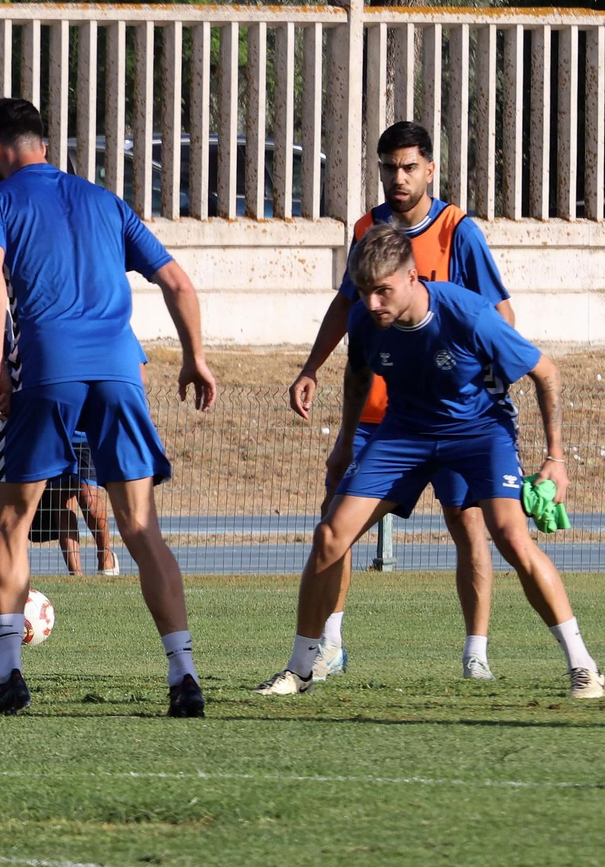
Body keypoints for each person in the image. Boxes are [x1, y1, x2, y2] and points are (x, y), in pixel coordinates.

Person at [256, 225, 602, 699]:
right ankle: (300, 669)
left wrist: (555, 458)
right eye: (364, 291)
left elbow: (547, 372)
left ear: (411, 277)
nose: (372, 302)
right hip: (403, 433)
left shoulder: (468, 315)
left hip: (479, 432)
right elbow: (358, 378)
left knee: (510, 537)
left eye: (382, 290)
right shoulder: (364, 319)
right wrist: (344, 444)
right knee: (330, 534)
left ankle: (583, 666)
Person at [0, 97, 217, 718]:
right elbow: (177, 281)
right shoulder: (107, 202)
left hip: (48, 367)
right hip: (120, 370)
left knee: (11, 522)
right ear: (43, 144)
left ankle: (9, 675)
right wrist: (195, 357)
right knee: (141, 527)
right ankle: (184, 674)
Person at [287, 121, 516, 682]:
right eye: (389, 167)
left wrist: (489, 391)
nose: (399, 177)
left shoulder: (459, 231)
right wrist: (312, 366)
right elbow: (346, 306)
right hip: (380, 415)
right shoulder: (367, 228)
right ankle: (329, 646)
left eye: (409, 167)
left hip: (452, 414)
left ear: (430, 170)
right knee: (336, 521)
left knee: (466, 522)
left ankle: (476, 653)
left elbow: (500, 314)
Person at [26, 437, 118, 577]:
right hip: (55, 438)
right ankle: (75, 574)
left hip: (85, 437)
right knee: (61, 503)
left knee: (88, 498)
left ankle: (105, 556)